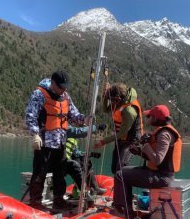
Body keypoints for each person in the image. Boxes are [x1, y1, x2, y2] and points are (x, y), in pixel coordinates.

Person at [25, 72, 89, 210]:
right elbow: (30, 115)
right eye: (60, 87)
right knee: (39, 173)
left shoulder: (65, 96)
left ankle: (58, 200)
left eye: (65, 87)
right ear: (53, 83)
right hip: (44, 142)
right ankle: (35, 202)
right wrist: (35, 134)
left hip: (60, 142)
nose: (63, 90)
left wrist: (84, 120)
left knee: (60, 174)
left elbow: (74, 114)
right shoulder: (39, 94)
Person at [112, 104, 182, 219]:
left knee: (120, 175)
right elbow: (156, 159)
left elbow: (158, 160)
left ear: (155, 119)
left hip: (161, 177)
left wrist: (145, 145)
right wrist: (139, 152)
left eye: (149, 116)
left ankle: (123, 211)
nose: (147, 118)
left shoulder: (164, 135)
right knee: (123, 171)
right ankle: (127, 207)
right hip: (160, 174)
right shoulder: (163, 132)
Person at [94, 82, 144, 174]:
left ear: (118, 98)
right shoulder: (118, 101)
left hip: (131, 140)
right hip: (120, 139)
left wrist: (102, 141)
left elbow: (122, 133)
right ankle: (118, 186)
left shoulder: (129, 110)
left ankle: (126, 185)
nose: (112, 102)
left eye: (112, 100)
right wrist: (106, 96)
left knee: (121, 168)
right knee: (114, 168)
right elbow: (105, 109)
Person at [65, 125, 107, 196]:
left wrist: (90, 154)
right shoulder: (69, 133)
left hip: (68, 159)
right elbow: (71, 154)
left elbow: (76, 153)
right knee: (80, 162)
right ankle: (85, 191)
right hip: (62, 160)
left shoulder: (74, 138)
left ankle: (94, 188)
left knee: (86, 161)